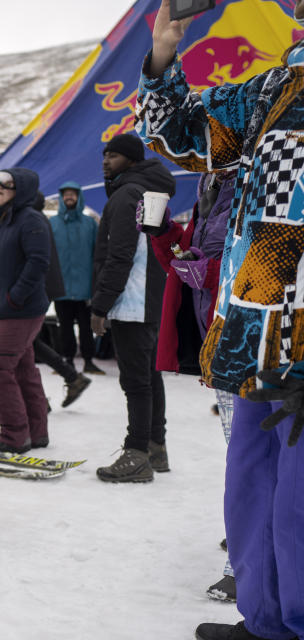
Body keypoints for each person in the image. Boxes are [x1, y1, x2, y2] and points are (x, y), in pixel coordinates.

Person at [139, 2, 304, 636]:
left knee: (296, 504)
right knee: (251, 491)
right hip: (255, 335)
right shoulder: (272, 86)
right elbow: (179, 135)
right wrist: (163, 52)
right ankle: (265, 620)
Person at [148, 170, 237, 602]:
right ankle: (253, 534)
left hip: (252, 339)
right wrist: (164, 232)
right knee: (241, 454)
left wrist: (210, 271)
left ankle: (246, 560)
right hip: (215, 343)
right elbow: (182, 261)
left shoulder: (258, 174)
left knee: (251, 460)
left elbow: (267, 257)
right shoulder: (209, 183)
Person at [90, 132, 173, 483]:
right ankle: (156, 447)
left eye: (114, 155)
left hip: (131, 300)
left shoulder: (127, 195)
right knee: (149, 377)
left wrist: (100, 305)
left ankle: (136, 453)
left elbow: (119, 254)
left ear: (132, 160)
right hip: (150, 297)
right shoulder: (147, 191)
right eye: (105, 154)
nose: (106, 161)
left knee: (136, 381)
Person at [0, 168, 51, 453]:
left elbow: (38, 262)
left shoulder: (30, 219)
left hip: (20, 309)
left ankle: (14, 435)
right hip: (6, 307)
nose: (0, 187)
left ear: (23, 188)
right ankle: (37, 431)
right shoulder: (2, 219)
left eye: (8, 183)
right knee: (22, 367)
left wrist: (14, 296)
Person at [50, 182, 103, 375]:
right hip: (61, 286)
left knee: (86, 326)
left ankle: (89, 361)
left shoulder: (90, 224)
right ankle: (68, 360)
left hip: (85, 287)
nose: (69, 197)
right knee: (64, 327)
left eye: (73, 194)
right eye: (66, 195)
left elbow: (98, 254)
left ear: (79, 197)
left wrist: (97, 282)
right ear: (62, 198)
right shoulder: (52, 223)